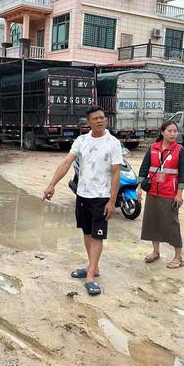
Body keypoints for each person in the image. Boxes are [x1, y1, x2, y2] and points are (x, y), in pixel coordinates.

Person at [43, 106, 123, 296]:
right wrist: (51, 184)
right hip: (83, 195)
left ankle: (90, 277)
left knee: (97, 235)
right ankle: (92, 267)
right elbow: (66, 163)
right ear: (88, 122)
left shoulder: (113, 143)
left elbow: (116, 173)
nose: (100, 121)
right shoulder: (81, 141)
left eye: (102, 118)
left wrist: (112, 201)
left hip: (101, 197)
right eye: (95, 118)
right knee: (87, 232)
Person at [137, 120, 184, 269]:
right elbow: (144, 168)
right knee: (152, 222)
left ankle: (178, 257)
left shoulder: (180, 150)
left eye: (175, 131)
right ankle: (155, 251)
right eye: (169, 131)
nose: (173, 134)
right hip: (153, 191)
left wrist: (179, 194)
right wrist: (139, 187)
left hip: (169, 194)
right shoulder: (153, 148)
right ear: (162, 132)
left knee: (172, 225)